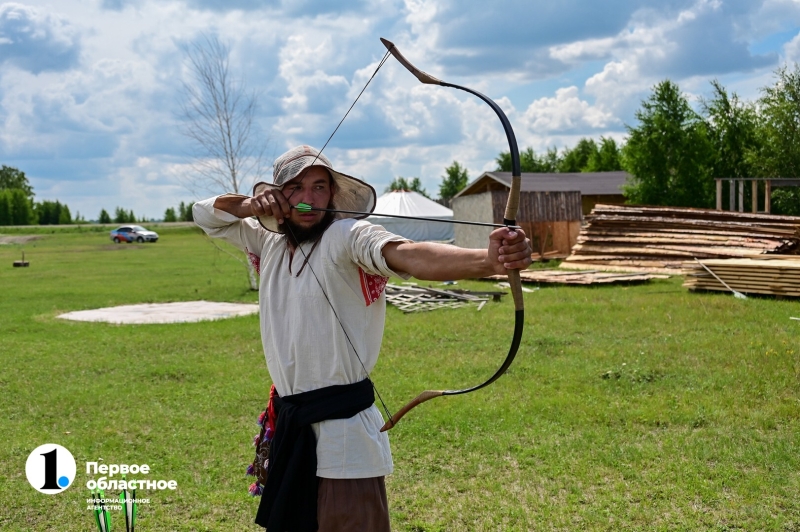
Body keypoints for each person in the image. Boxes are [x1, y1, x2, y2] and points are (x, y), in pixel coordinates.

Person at [193, 145, 532, 532]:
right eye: (296, 187)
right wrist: (249, 207)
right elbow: (204, 214)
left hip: (344, 441)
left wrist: (487, 261)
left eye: (320, 187)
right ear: (278, 195)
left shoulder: (347, 234)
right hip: (292, 428)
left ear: (333, 195)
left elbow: (408, 254)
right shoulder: (267, 241)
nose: (309, 198)